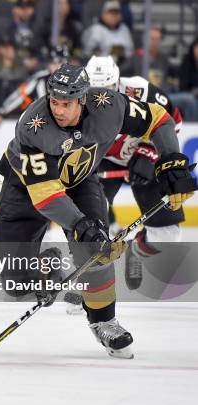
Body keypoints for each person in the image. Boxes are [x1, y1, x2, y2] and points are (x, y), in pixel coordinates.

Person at [0, 63, 195, 358]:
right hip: (24, 189)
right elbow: (46, 195)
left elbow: (159, 119)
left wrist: (171, 160)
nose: (58, 110)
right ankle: (51, 268)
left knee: (95, 248)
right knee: (14, 283)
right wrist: (80, 223)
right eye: (54, 101)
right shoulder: (32, 127)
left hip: (79, 180)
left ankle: (104, 321)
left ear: (83, 99)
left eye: (66, 103)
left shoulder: (109, 105)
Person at [84, 56, 185, 293]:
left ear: (117, 82)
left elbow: (172, 122)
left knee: (168, 236)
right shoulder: (76, 102)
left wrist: (149, 152)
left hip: (143, 159)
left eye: (106, 89)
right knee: (89, 223)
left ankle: (137, 250)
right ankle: (92, 283)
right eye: (93, 90)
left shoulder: (140, 90)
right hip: (104, 161)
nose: (100, 97)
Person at [0, 44, 68, 129]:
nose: (57, 67)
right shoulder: (40, 79)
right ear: (49, 64)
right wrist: (2, 113)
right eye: (54, 63)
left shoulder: (75, 80)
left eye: (61, 63)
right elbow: (20, 94)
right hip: (45, 125)